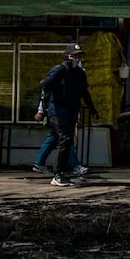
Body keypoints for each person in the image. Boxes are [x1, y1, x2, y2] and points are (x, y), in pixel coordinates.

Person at [36, 43, 98, 187]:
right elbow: (45, 86)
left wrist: (93, 110)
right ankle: (58, 174)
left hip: (71, 111)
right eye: (75, 56)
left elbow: (84, 93)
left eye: (79, 56)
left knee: (67, 141)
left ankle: (62, 172)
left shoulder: (80, 74)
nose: (77, 59)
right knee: (66, 138)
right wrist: (63, 68)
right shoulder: (58, 70)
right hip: (57, 111)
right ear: (68, 57)